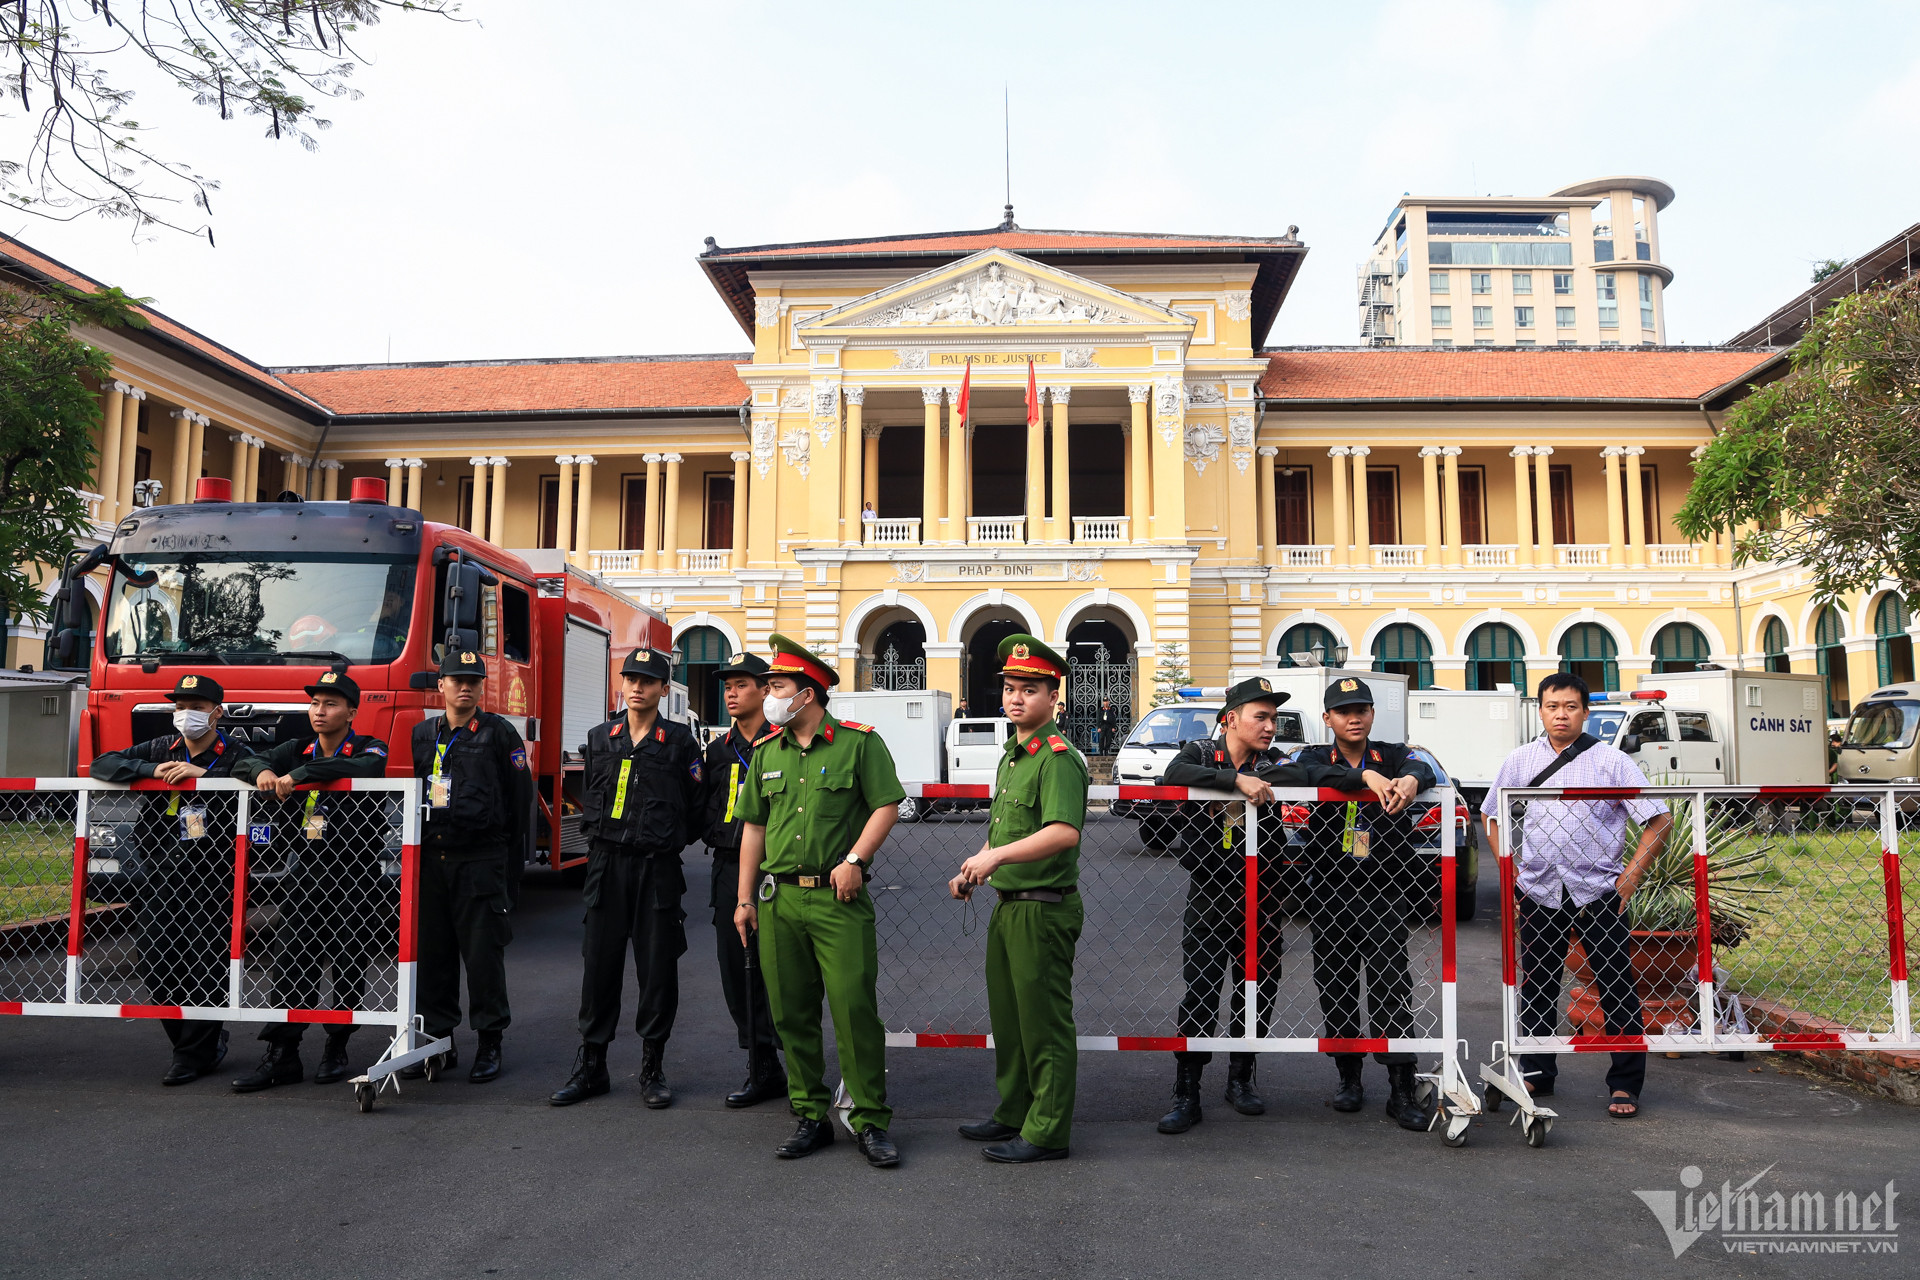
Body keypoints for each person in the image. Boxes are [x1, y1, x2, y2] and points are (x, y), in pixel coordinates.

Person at [733, 634, 907, 1167]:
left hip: (838, 899)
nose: (768, 696)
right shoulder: (767, 751)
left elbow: (886, 806)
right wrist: (744, 900)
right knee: (791, 1011)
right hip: (779, 900)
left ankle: (868, 1118)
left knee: (855, 1008)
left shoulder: (859, 743)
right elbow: (754, 828)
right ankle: (809, 1114)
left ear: (807, 694)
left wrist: (854, 859)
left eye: (776, 686)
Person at [1483, 672, 1672, 1119]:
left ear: (1585, 711)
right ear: (1541, 710)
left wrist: (1629, 879)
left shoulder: (1611, 762)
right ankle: (1536, 1072)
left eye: (1570, 706)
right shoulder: (1520, 761)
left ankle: (1625, 1084)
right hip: (1538, 888)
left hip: (1598, 891)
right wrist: (1509, 875)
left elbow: (1658, 819)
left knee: (1617, 987)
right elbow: (1491, 817)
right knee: (1539, 987)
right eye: (1552, 706)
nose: (1561, 714)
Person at [948, 634, 1088, 1163]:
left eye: (1029, 689)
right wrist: (975, 865)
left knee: (1044, 1023)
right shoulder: (1014, 756)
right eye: (1009, 687)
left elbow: (1062, 832)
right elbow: (1006, 831)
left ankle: (1047, 1131)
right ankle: (1014, 1111)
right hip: (1010, 905)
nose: (1015, 698)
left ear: (1054, 697)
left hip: (1043, 906)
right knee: (1009, 1019)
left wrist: (996, 860)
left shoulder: (1057, 758)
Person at [550, 649, 703, 1108]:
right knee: (598, 967)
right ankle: (592, 1066)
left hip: (656, 869)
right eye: (631, 678)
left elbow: (695, 807)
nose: (637, 687)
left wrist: (666, 839)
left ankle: (652, 1069)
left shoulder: (678, 742)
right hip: (606, 865)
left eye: (648, 680)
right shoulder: (601, 738)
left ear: (662, 689)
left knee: (657, 971)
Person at [1154, 677, 1303, 1134]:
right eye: (1261, 717)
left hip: (1264, 896)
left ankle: (1241, 1078)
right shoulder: (1200, 752)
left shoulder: (1273, 761)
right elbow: (1172, 775)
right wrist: (1234, 780)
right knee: (1200, 992)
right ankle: (1187, 1089)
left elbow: (1299, 775)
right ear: (1231, 718)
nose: (1270, 726)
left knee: (1256, 991)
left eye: (1274, 718)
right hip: (1211, 893)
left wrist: (1257, 776)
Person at [229, 672, 391, 1091]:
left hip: (353, 877)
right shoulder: (295, 746)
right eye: (315, 703)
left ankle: (336, 1046)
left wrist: (301, 774)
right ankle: (283, 1055)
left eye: (331, 704)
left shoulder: (369, 746)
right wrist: (263, 771)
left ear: (351, 712)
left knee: (348, 961)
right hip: (304, 874)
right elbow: (244, 759)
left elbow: (366, 767)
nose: (320, 711)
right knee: (290, 961)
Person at [1292, 676, 1437, 1132]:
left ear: (1372, 714)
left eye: (1362, 709)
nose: (1354, 717)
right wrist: (1364, 778)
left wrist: (1411, 778)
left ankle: (1400, 1087)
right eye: (1343, 710)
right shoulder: (1315, 757)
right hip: (1330, 891)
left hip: (1383, 890)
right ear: (1328, 718)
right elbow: (1309, 776)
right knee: (1334, 987)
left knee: (1391, 987)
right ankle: (1349, 1079)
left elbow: (1425, 764)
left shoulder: (1394, 754)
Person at [89, 673, 238, 1086]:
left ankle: (193, 1055)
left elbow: (257, 774)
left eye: (197, 707)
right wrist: (150, 768)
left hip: (210, 876)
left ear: (217, 713)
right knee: (156, 966)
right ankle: (200, 1042)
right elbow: (104, 763)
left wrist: (204, 778)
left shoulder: (233, 753)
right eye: (180, 707)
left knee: (205, 966)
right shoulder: (160, 747)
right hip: (159, 873)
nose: (186, 715)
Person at [407, 648, 533, 1084]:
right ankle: (440, 1042)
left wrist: (505, 863)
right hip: (433, 861)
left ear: (482, 688)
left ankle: (489, 1042)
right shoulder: (422, 734)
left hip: (480, 860)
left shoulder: (499, 733)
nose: (465, 687)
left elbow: (520, 801)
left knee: (482, 958)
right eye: (457, 679)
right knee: (434, 957)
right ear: (440, 685)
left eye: (474, 681)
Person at [697, 650, 786, 1109]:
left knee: (781, 972)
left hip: (780, 868)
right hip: (729, 866)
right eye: (726, 686)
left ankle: (799, 1065)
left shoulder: (784, 742)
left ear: (764, 689)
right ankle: (761, 1064)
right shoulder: (717, 750)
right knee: (738, 970)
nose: (731, 692)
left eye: (742, 684)